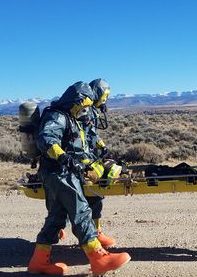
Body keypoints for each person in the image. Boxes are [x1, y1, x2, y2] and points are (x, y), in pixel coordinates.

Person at [27, 81, 131, 275]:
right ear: (75, 101)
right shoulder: (57, 116)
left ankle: (39, 262)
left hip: (63, 172)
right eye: (83, 105)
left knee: (57, 217)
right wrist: (63, 157)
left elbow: (86, 137)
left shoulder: (72, 117)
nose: (84, 110)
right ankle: (99, 258)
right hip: (59, 172)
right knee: (80, 210)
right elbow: (46, 139)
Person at [83, 78, 118, 248]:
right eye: (104, 96)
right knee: (89, 195)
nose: (105, 100)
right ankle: (91, 238)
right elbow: (86, 136)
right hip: (81, 159)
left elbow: (93, 136)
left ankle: (96, 232)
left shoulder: (91, 111)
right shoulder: (85, 112)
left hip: (89, 156)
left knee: (95, 195)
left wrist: (102, 147)